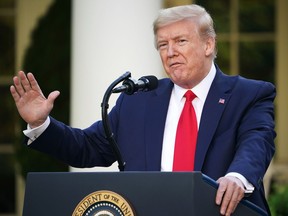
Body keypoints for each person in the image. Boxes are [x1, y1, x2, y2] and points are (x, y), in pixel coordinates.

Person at [10, 4, 275, 216]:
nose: (170, 52)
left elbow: (257, 143)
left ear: (208, 45)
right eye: (163, 44)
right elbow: (87, 147)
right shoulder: (137, 101)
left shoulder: (248, 95)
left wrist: (237, 177)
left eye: (181, 41)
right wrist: (41, 124)